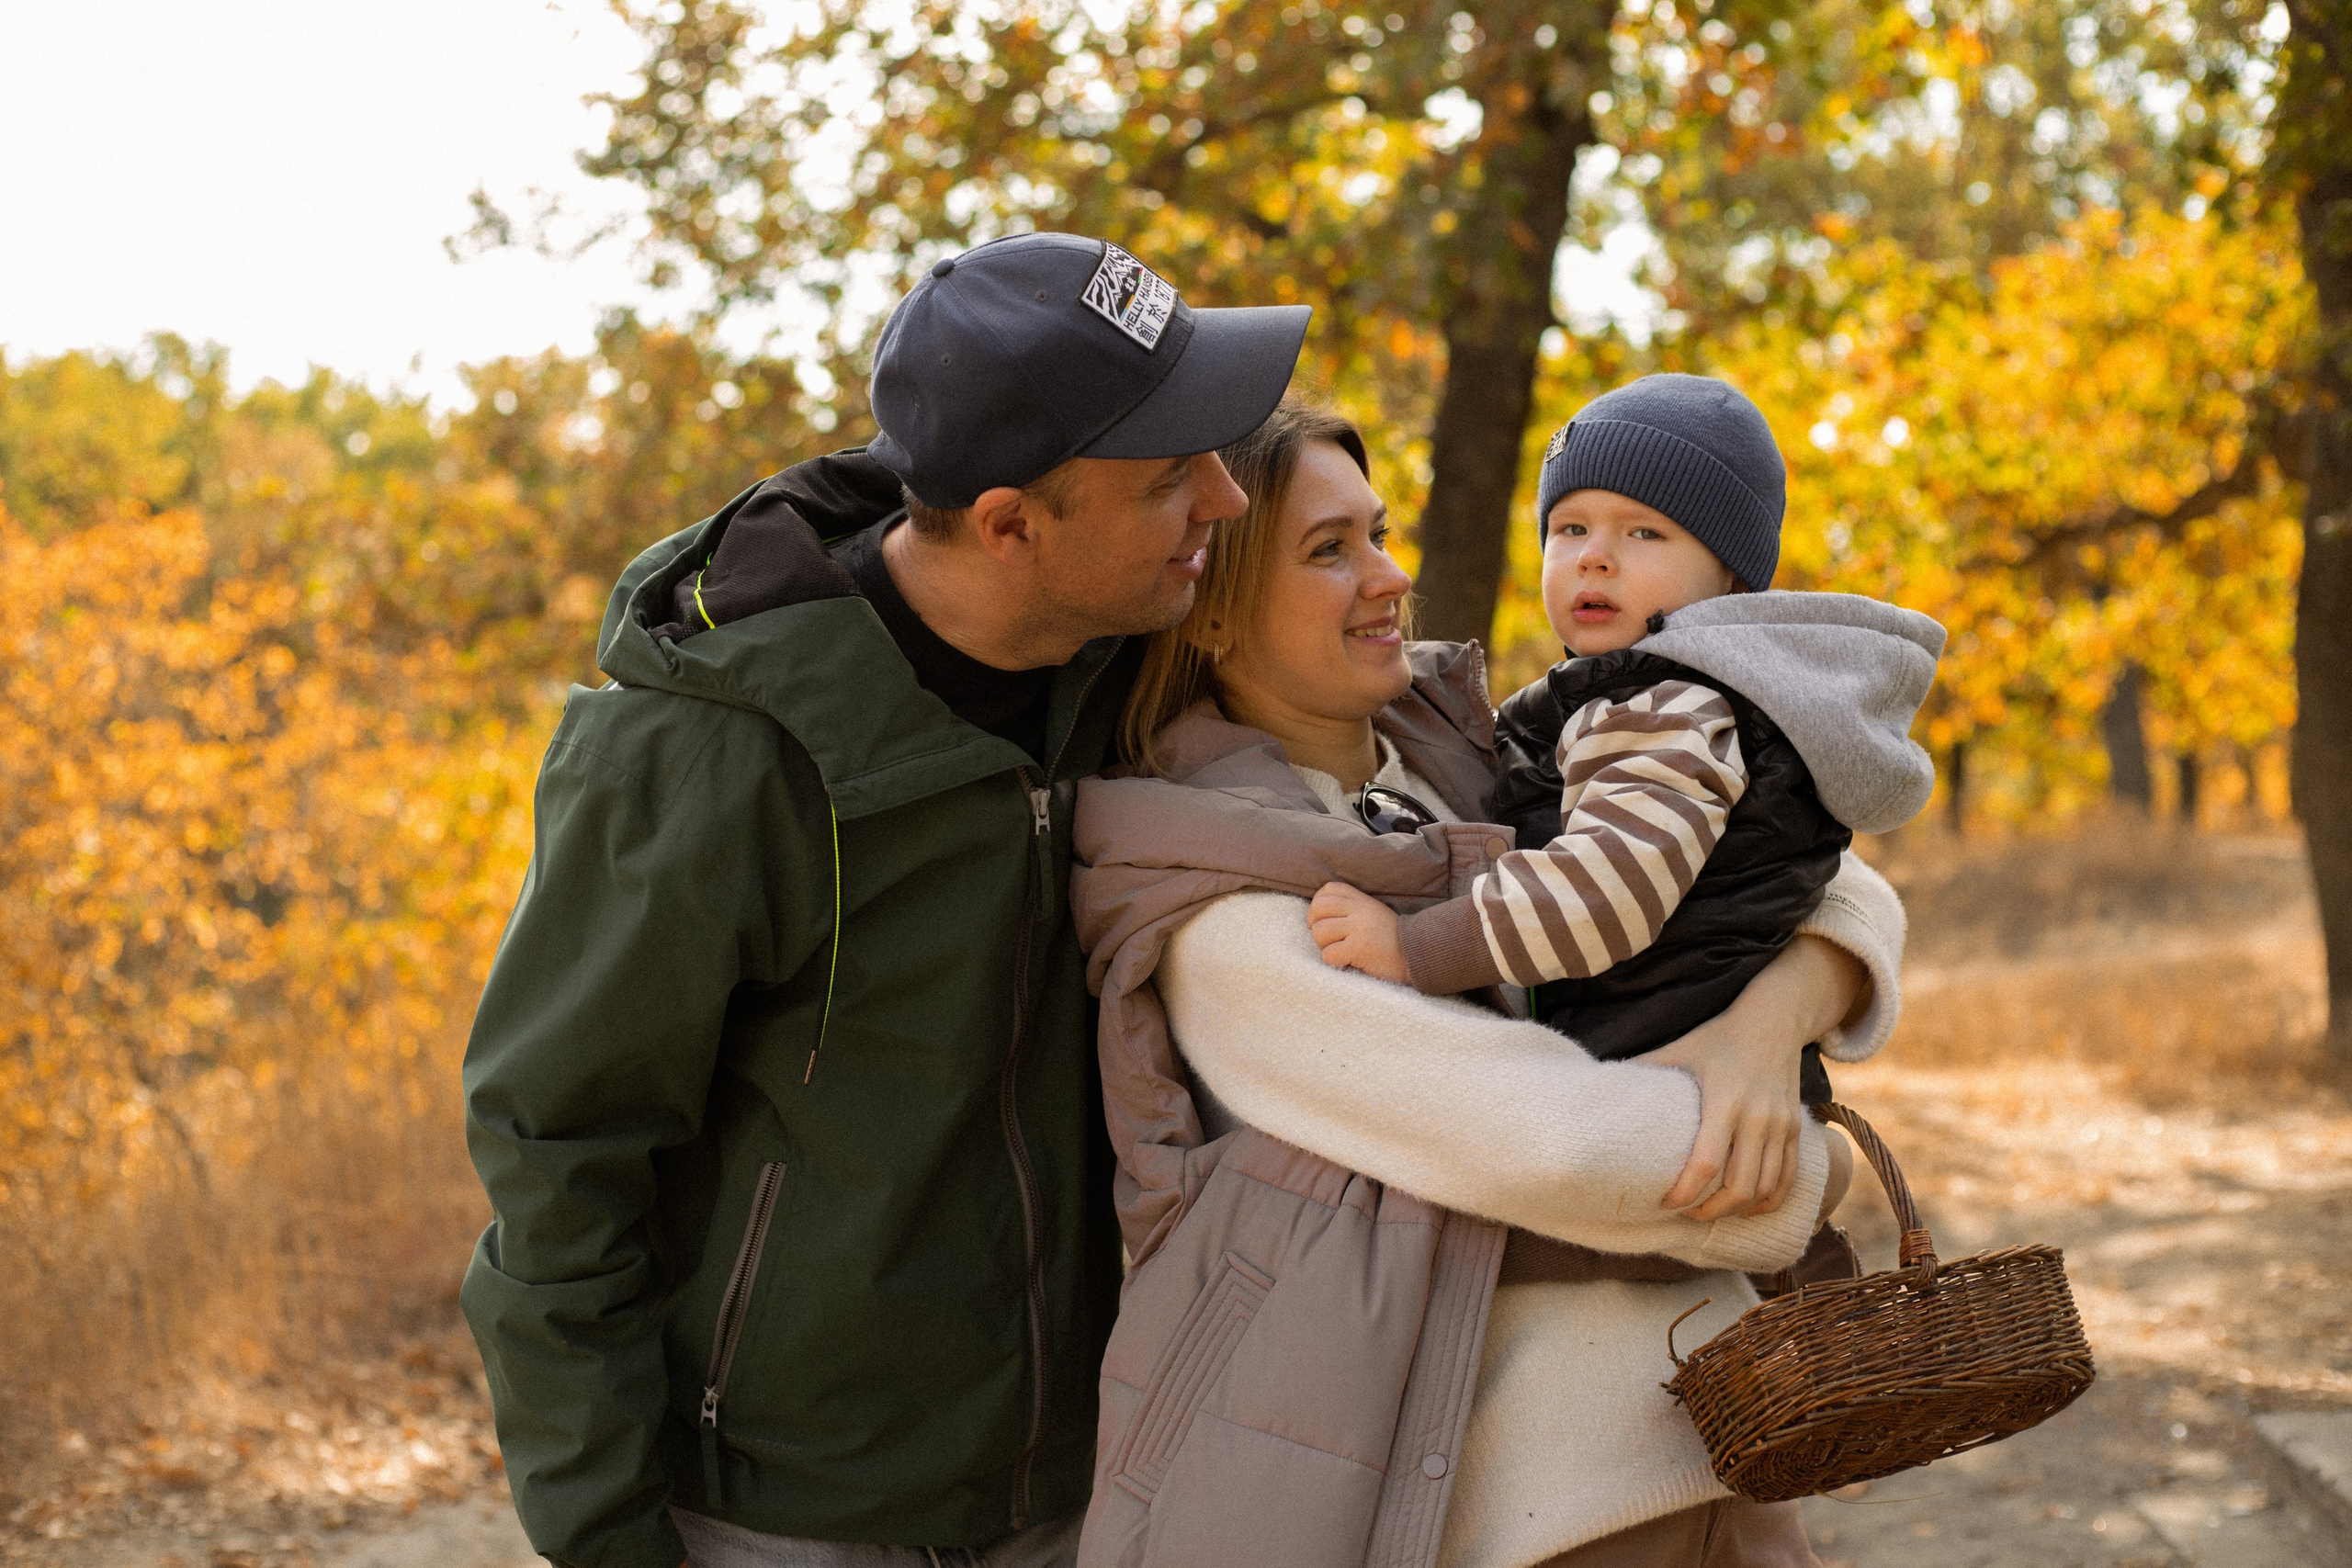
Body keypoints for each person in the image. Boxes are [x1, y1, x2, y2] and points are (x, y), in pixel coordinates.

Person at [458, 232, 1309, 1568]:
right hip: (784, 1518)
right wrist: (610, 1534)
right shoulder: (706, 754)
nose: (1224, 497)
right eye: (1167, 478)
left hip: (1088, 1479)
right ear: (1011, 524)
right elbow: (559, 1150)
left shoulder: (1128, 671)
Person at [1068, 400, 1908, 1567]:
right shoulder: (1215, 904)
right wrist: (1798, 1178)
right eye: (1330, 550)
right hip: (1545, 1507)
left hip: (1726, 1439)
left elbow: (1823, 876)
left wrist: (1766, 1032)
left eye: (1379, 531)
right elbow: (1556, 1144)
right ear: (1208, 608)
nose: (1391, 575)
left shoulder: (1474, 754)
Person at [1308, 373, 1943, 1136]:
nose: (1595, 558)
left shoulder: (1668, 708)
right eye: (1570, 528)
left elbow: (1607, 894)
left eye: (1644, 532)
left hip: (1672, 1085)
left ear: (1730, 579)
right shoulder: (1628, 699)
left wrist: (1415, 946)